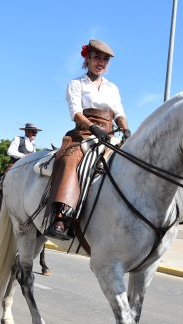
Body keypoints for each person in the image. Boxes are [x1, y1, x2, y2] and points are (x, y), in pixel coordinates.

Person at [45, 39, 131, 240]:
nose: (101, 62)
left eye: (105, 60)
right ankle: (61, 216)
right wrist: (92, 127)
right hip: (84, 132)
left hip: (110, 133)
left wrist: (126, 130)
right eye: (97, 58)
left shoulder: (112, 87)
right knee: (72, 158)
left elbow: (119, 112)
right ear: (88, 59)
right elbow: (75, 112)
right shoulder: (76, 83)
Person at [0, 123, 41, 190]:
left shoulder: (33, 145)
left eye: (36, 132)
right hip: (16, 165)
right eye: (33, 131)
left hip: (29, 167)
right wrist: (24, 156)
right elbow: (10, 151)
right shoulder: (18, 139)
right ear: (27, 131)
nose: (35, 134)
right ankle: (1, 183)